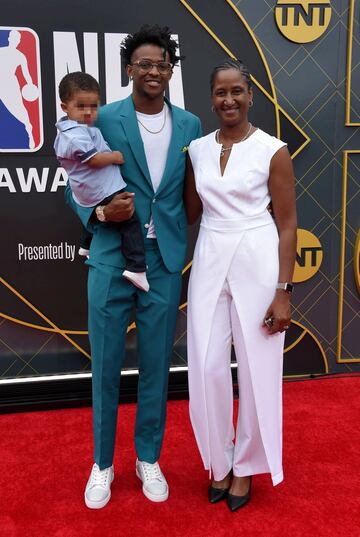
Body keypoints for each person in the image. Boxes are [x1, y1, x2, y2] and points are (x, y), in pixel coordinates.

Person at [64, 25, 201, 508]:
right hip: (109, 257)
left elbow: (189, 194)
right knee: (104, 365)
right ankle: (102, 463)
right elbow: (73, 181)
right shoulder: (103, 117)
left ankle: (149, 457)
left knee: (156, 366)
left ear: (170, 70)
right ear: (129, 69)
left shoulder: (189, 124)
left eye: (161, 64)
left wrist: (177, 240)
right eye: (144, 63)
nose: (153, 72)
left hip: (162, 262)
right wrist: (99, 213)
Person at [184, 59, 297, 512]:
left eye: (237, 92)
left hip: (257, 253)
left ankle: (247, 467)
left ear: (251, 96)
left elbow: (287, 225)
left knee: (257, 368)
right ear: (210, 98)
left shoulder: (274, 149)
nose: (228, 100)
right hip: (211, 252)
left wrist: (284, 290)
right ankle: (219, 461)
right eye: (219, 92)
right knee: (207, 365)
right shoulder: (195, 149)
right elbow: (190, 211)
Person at [55, 72, 149, 292]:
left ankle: (86, 244)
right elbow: (94, 159)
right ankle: (136, 267)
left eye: (93, 106)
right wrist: (115, 157)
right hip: (100, 188)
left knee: (94, 213)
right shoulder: (74, 135)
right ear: (64, 107)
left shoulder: (74, 129)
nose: (88, 112)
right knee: (129, 220)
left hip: (89, 190)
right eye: (81, 106)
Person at [0, 29, 38, 149]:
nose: (15, 41)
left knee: (20, 110)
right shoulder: (1, 51)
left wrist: (31, 85)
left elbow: (26, 74)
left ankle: (30, 130)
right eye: (13, 38)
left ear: (19, 41)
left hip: (10, 84)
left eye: (18, 39)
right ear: (9, 39)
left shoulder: (20, 56)